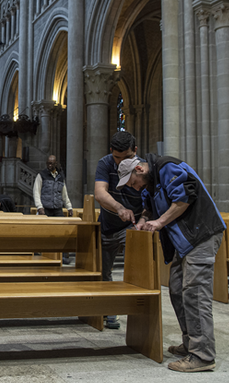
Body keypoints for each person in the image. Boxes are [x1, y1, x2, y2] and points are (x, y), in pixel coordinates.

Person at [117, 154, 225, 373]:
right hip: (185, 242)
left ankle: (203, 355)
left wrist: (159, 222)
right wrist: (142, 221)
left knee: (195, 293)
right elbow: (149, 210)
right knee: (177, 289)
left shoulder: (167, 167)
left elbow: (183, 198)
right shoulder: (149, 184)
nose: (134, 188)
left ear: (139, 169)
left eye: (132, 182)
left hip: (201, 234)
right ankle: (190, 343)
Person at [93, 131, 144, 330]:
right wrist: (120, 208)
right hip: (108, 224)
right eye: (117, 158)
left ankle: (139, 314)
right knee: (104, 272)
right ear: (111, 151)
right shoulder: (105, 163)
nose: (122, 163)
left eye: (127, 158)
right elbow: (99, 193)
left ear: (136, 151)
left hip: (131, 226)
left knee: (138, 270)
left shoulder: (142, 167)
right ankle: (109, 310)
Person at [33, 155, 74, 264]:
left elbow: (64, 194)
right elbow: (36, 192)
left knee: (63, 232)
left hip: (57, 209)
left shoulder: (60, 177)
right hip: (45, 209)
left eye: (51, 163)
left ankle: (64, 255)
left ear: (56, 164)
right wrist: (39, 207)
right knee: (43, 233)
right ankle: (40, 253)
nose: (49, 165)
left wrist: (69, 207)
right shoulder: (41, 175)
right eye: (48, 163)